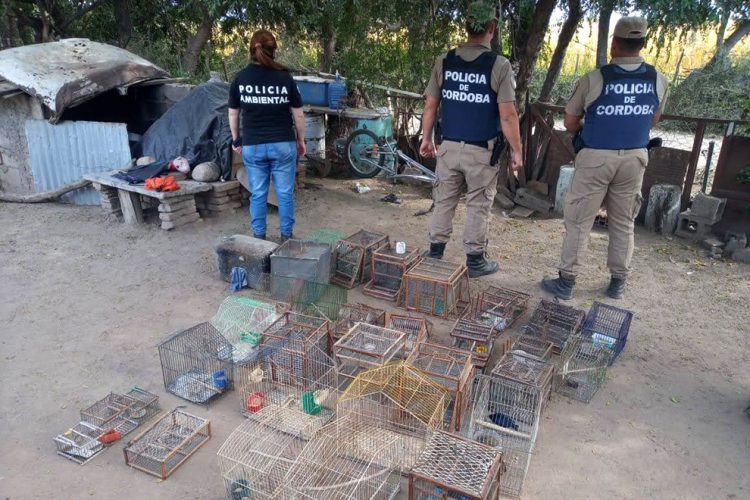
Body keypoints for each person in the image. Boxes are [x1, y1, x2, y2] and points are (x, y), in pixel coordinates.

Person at [542, 16, 668, 300]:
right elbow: (653, 120)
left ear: (613, 43)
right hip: (635, 158)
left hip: (596, 157)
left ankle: (566, 281)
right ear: (643, 44)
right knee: (623, 222)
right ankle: (617, 282)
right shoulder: (658, 79)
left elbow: (571, 122)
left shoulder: (595, 78)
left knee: (579, 221)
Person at [420, 1, 523, 278]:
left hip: (448, 147)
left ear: (466, 27)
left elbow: (430, 106)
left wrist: (426, 138)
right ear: (492, 27)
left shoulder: (445, 61)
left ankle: (435, 253)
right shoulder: (499, 65)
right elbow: (508, 115)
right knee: (478, 204)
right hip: (482, 152)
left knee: (444, 200)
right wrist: (517, 150)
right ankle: (475, 262)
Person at [228, 29, 305, 242]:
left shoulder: (241, 78)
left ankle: (259, 239)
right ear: (274, 51)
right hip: (283, 144)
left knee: (258, 194)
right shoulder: (285, 77)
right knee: (284, 194)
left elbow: (233, 112)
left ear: (252, 50)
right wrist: (300, 140)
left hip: (253, 145)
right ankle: (287, 238)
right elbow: (298, 114)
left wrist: (237, 139)